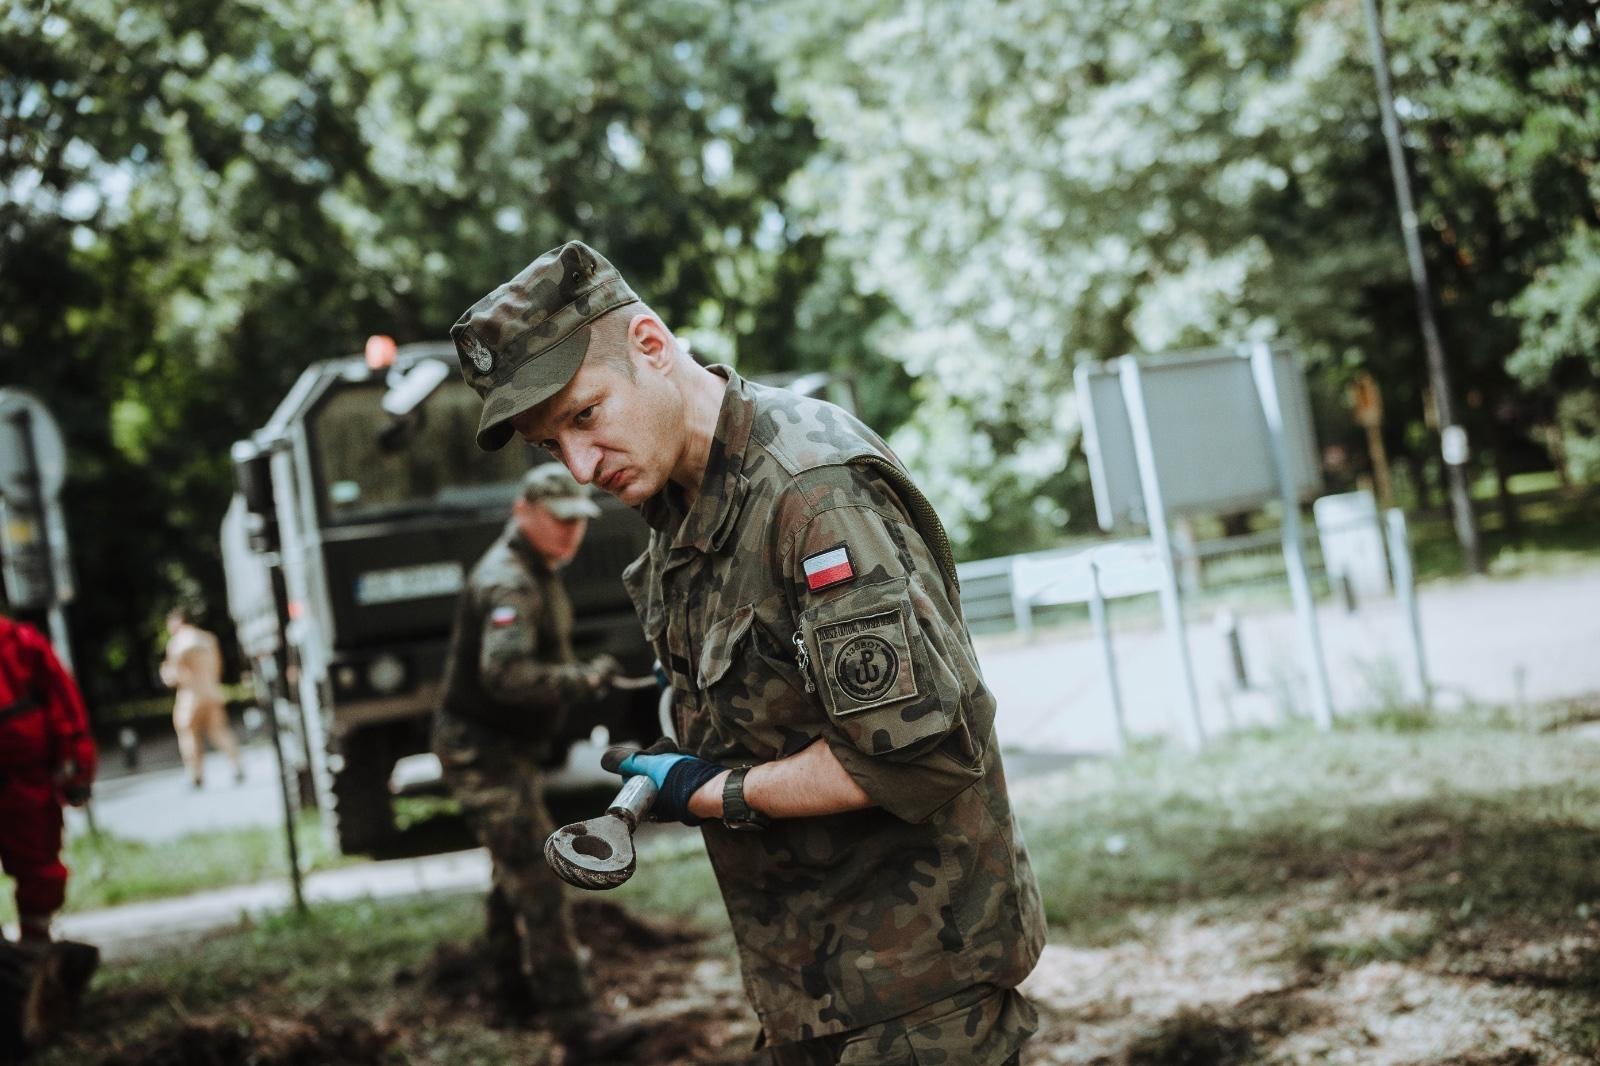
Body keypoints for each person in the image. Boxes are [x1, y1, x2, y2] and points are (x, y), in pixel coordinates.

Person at [451, 242, 1046, 1065]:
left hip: (916, 997)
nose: (581, 466)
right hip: (814, 988)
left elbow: (922, 756)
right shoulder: (681, 506)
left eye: (585, 415)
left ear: (652, 347)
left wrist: (710, 790)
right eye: (551, 447)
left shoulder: (810, 492)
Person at [431, 463, 626, 1046]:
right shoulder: (510, 582)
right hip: (480, 750)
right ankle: (578, 1026)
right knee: (538, 871)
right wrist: (578, 680)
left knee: (511, 868)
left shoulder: (536, 566)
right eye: (559, 520)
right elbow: (505, 674)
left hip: (504, 747)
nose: (571, 533)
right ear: (523, 513)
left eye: (578, 521)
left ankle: (508, 994)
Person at [0, 615, 96, 945]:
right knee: (38, 867)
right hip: (23, 782)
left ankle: (36, 957)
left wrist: (78, 767)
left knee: (38, 870)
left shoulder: (19, 643)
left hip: (23, 783)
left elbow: (63, 704)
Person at [160, 608, 243, 788]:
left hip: (190, 696)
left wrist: (165, 674)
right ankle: (236, 766)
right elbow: (218, 667)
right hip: (212, 692)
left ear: (178, 622)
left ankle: (195, 774)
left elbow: (173, 676)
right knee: (219, 732)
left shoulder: (177, 643)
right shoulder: (208, 639)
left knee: (189, 735)